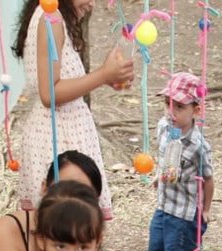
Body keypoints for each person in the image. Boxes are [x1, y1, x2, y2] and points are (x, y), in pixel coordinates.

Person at [11, 0, 132, 219]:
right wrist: (103, 75)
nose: (92, 3)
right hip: (57, 138)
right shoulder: (51, 18)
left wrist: (108, 77)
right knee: (66, 223)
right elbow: (49, 93)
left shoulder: (55, 18)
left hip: (63, 132)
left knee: (71, 227)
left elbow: (62, 84)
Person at [146, 72, 215, 251]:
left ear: (195, 110)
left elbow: (208, 179)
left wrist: (205, 209)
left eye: (179, 106)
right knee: (165, 247)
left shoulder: (198, 145)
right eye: (168, 104)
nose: (171, 112)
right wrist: (159, 174)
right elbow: (165, 158)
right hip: (165, 204)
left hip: (185, 211)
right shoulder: (164, 127)